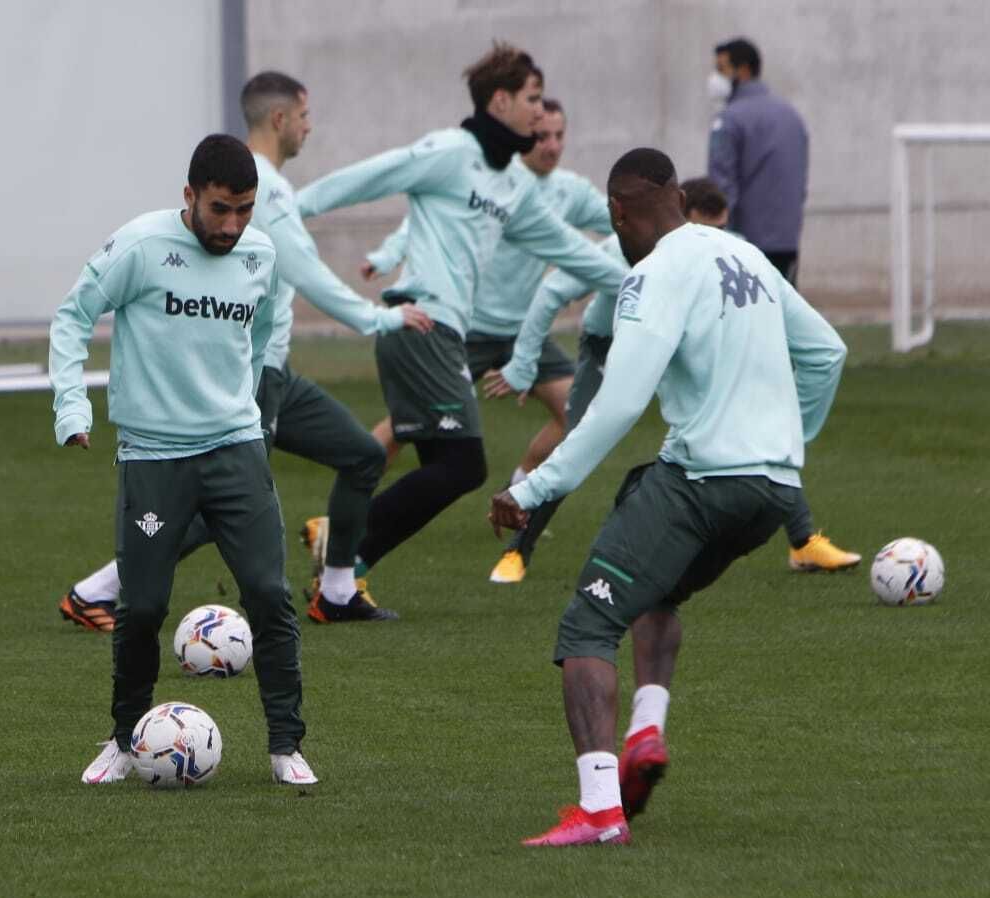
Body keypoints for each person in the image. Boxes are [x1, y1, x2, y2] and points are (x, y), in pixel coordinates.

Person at [488, 149, 846, 846]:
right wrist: (786, 440)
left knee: (585, 629)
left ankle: (598, 813)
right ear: (680, 197)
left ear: (619, 213)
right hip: (772, 490)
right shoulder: (744, 256)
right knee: (653, 582)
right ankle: (645, 732)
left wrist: (532, 488)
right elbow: (827, 352)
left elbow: (619, 404)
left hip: (703, 484)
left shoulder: (651, 274)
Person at [56, 72, 433, 633]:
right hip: (250, 384)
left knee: (361, 455)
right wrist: (378, 318)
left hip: (271, 369)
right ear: (280, 120)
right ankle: (102, 588)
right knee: (226, 505)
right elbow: (309, 275)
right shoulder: (263, 193)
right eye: (306, 117)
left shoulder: (268, 190)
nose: (311, 127)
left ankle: (334, 590)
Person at [290, 43, 626, 589]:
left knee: (447, 465)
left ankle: (343, 576)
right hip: (419, 325)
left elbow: (571, 249)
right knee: (463, 466)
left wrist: (642, 283)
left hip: (442, 334)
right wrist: (288, 207)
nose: (540, 114)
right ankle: (343, 549)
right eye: (532, 100)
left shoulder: (513, 185)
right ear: (500, 101)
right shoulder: (450, 151)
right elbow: (369, 177)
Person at [50, 134, 318, 786]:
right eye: (220, 209)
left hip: (235, 450)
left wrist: (246, 410)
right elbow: (72, 315)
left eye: (244, 210)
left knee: (270, 594)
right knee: (141, 608)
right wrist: (71, 409)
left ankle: (286, 746)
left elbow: (253, 342)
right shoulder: (141, 246)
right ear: (189, 196)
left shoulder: (259, 253)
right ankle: (124, 739)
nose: (232, 226)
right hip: (152, 456)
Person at [486, 176, 860, 574]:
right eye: (710, 226)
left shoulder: (726, 253)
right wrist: (524, 363)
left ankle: (802, 542)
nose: (716, 236)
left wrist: (788, 430)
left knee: (757, 433)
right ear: (682, 212)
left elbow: (825, 351)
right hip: (607, 346)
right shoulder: (620, 249)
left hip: (679, 343)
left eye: (722, 228)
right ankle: (518, 550)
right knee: (580, 431)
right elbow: (550, 294)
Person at [359, 97, 612, 584]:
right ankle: (348, 510)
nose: (552, 146)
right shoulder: (494, 183)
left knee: (574, 413)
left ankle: (519, 490)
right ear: (524, 137)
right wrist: (387, 253)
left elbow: (621, 223)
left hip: (525, 333)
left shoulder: (570, 192)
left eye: (561, 136)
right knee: (406, 429)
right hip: (468, 326)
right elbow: (421, 219)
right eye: (543, 136)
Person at [708, 37, 809, 284]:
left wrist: (717, 240)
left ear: (742, 70)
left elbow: (722, 188)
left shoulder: (729, 120)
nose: (715, 78)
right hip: (787, 242)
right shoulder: (791, 115)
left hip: (745, 245)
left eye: (721, 69)